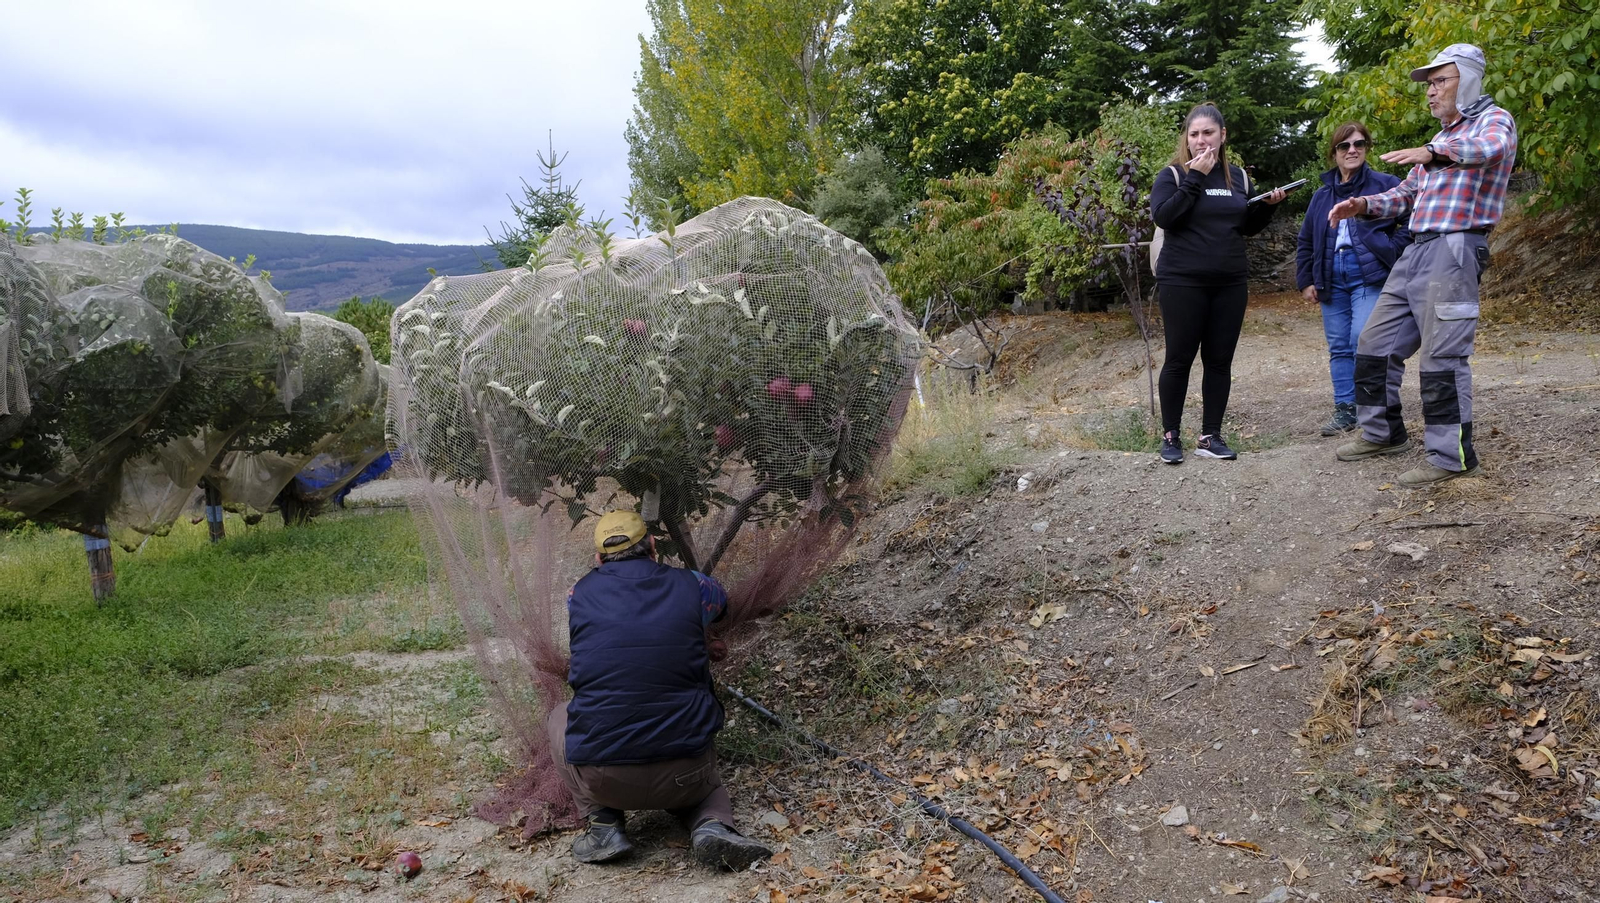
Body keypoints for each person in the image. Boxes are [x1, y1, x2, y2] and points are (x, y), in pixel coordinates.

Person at [1328, 44, 1517, 485]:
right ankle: (1382, 434)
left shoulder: (1492, 121)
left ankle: (1452, 458)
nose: (1431, 92)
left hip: (1454, 251)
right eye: (1429, 85)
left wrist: (1434, 153)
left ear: (1466, 79)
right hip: (1414, 251)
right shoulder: (1439, 142)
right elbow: (1405, 195)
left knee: (1442, 355)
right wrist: (1362, 204)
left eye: (1439, 81)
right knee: (1374, 344)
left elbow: (1489, 148)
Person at [548, 509, 772, 869]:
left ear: (598, 559)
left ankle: (603, 823)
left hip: (604, 780)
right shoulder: (695, 586)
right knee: (709, 783)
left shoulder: (578, 595)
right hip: (686, 775)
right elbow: (721, 607)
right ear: (653, 545)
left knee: (559, 716)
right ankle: (712, 825)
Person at [1150, 102, 1287, 465]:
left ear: (1223, 136)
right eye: (1194, 134)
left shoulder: (1238, 178)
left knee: (1219, 361)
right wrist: (1195, 178)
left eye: (1208, 133)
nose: (1200, 140)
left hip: (1229, 282)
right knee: (1178, 359)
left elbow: (1243, 226)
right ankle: (1171, 436)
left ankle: (1210, 436)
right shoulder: (1173, 175)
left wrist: (1268, 206)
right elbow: (1165, 216)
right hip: (1182, 281)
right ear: (1187, 139)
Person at [1297, 122, 1412, 436]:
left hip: (1369, 274)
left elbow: (1412, 224)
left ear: (1367, 148)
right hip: (1331, 275)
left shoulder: (1386, 184)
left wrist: (1390, 249)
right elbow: (1306, 240)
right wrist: (1306, 280)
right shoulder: (1321, 196)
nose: (1352, 150)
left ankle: (1371, 407)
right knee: (1338, 346)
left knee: (1363, 337)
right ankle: (1345, 410)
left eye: (1359, 144)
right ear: (1333, 152)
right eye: (1345, 146)